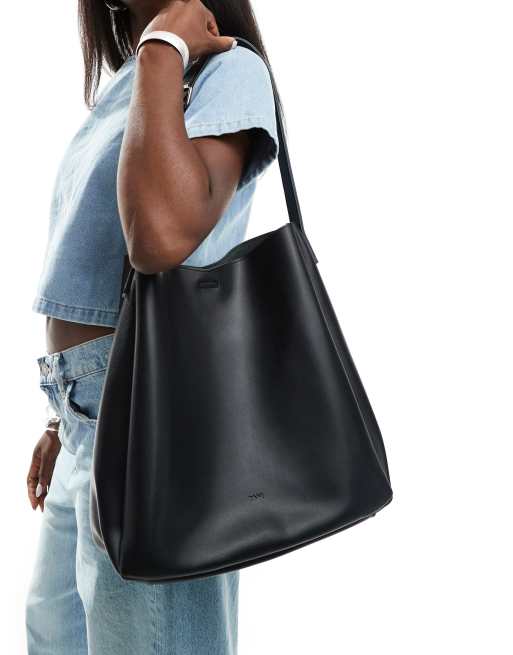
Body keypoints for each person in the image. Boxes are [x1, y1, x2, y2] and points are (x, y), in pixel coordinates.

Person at [25, 1, 281, 652]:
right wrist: (65, 417)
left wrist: (165, 48)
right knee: (52, 635)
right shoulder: (136, 78)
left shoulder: (225, 70)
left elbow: (160, 239)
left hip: (154, 416)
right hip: (88, 419)